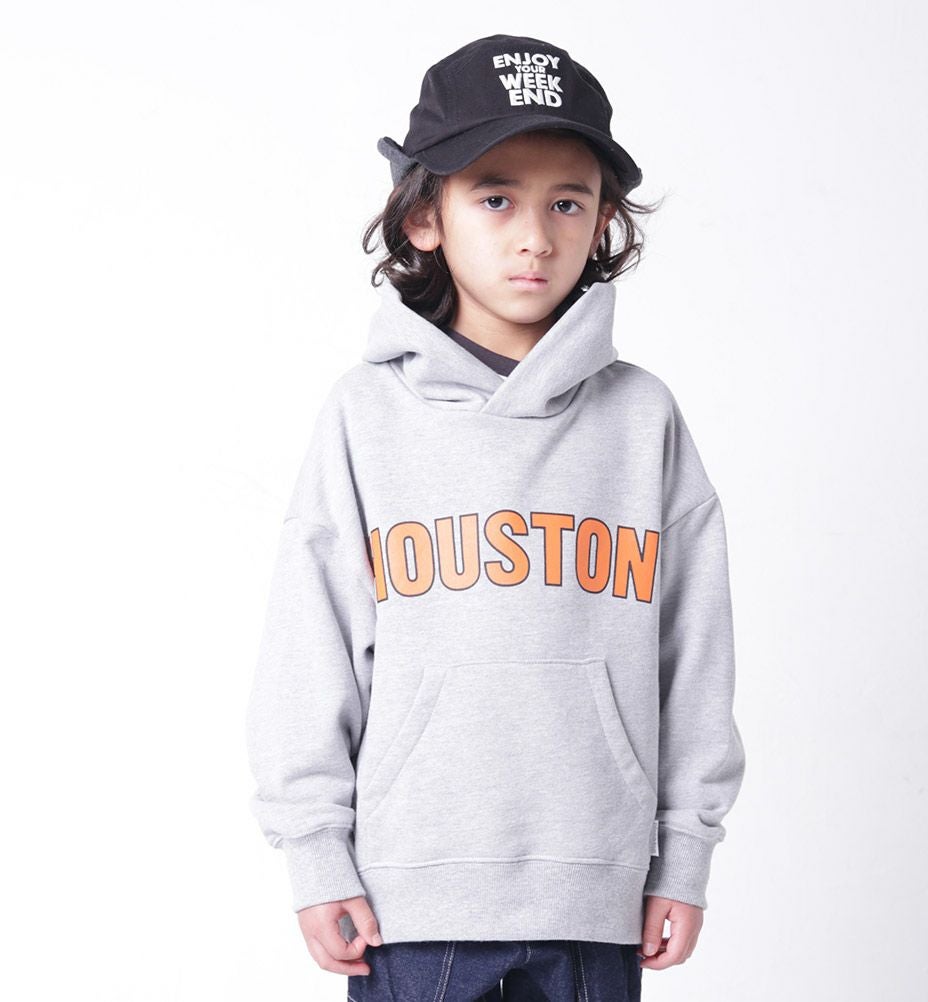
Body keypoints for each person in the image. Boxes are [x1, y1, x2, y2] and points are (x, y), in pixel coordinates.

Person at [245, 33, 746, 1001]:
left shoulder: (642, 420)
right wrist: (314, 848)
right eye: (495, 198)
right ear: (424, 215)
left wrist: (684, 850)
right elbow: (310, 642)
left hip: (596, 899)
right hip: (409, 901)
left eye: (568, 202)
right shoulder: (366, 416)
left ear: (603, 219)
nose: (536, 237)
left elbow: (696, 650)